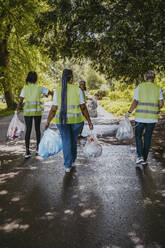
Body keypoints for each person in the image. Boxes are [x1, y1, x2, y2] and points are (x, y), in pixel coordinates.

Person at [45, 69, 93, 173]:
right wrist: (89, 122)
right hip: (76, 121)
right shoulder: (78, 90)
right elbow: (83, 107)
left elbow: (53, 109)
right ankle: (73, 160)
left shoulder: (57, 90)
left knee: (66, 140)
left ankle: (67, 165)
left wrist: (48, 121)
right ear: (71, 78)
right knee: (73, 140)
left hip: (62, 122)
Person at [125, 71, 164, 165]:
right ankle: (144, 159)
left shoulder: (140, 86)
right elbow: (161, 104)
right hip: (152, 118)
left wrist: (129, 112)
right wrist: (157, 108)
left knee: (138, 136)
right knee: (147, 137)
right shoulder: (158, 88)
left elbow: (135, 101)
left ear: (145, 78)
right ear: (154, 78)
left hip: (140, 118)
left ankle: (139, 156)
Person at [17, 71, 52, 158]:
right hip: (37, 111)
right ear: (36, 79)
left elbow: (20, 101)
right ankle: (38, 150)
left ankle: (27, 152)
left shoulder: (25, 88)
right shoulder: (40, 88)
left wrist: (17, 109)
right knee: (37, 130)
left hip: (28, 112)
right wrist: (50, 94)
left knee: (28, 130)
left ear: (28, 78)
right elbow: (50, 93)